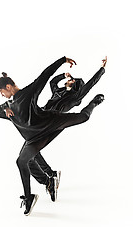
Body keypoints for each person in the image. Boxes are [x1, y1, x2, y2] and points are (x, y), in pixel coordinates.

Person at [0, 56, 104, 216]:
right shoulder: (8, 107)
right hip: (35, 137)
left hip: (51, 121)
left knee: (83, 117)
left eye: (2, 93)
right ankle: (35, 192)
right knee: (22, 161)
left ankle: (94, 103)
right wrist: (3, 110)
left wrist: (63, 60)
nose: (2, 97)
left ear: (8, 86)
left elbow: (45, 75)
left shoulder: (29, 93)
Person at [29, 57, 107, 197]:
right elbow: (52, 82)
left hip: (55, 122)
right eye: (70, 78)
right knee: (31, 150)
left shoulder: (75, 97)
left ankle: (49, 178)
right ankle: (51, 175)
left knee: (31, 150)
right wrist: (63, 75)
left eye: (72, 79)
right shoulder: (57, 91)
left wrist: (102, 69)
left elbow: (90, 84)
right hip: (42, 117)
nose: (70, 79)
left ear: (76, 84)